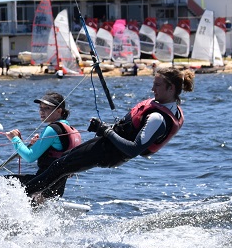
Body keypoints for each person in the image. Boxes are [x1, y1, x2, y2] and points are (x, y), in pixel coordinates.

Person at [23, 66, 195, 202]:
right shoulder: (173, 110)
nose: (152, 89)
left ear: (171, 88)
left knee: (60, 166)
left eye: (157, 85)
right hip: (108, 147)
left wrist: (104, 130)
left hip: (109, 152)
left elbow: (133, 150)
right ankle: (38, 200)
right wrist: (104, 130)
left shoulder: (158, 118)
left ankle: (23, 196)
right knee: (62, 166)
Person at [5, 92, 81, 200]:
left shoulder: (52, 129)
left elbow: (29, 157)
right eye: (40, 108)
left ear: (59, 111)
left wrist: (14, 138)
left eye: (47, 108)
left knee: (1, 182)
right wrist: (29, 145)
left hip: (41, 185)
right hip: (57, 190)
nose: (41, 111)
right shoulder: (73, 131)